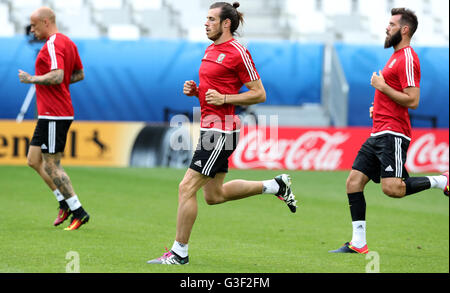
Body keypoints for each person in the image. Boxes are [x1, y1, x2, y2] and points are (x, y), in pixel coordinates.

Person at [148, 1, 298, 265]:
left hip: (220, 131)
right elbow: (215, 92)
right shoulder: (210, 49)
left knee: (186, 188)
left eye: (211, 19)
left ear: (226, 23)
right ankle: (275, 185)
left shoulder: (238, 52)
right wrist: (196, 91)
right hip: (210, 127)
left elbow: (259, 93)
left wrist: (226, 97)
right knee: (214, 196)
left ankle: (179, 253)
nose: (205, 23)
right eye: (205, 19)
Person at [329, 8, 449, 254]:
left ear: (404, 30)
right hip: (379, 131)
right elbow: (396, 96)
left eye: (392, 24)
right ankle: (358, 243)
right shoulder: (395, 56)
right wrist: (380, 106)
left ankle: (443, 180)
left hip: (393, 132)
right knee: (353, 182)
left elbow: (412, 100)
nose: (387, 28)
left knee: (392, 188)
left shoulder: (407, 58)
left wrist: (382, 86)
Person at [18, 7, 90, 231]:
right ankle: (64, 202)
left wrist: (32, 79)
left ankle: (78, 211)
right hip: (51, 112)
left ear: (46, 22)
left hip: (54, 113)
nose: (31, 30)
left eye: (34, 25)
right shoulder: (67, 42)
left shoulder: (52, 44)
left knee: (52, 165)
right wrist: (57, 87)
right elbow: (78, 74)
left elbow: (58, 75)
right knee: (33, 160)